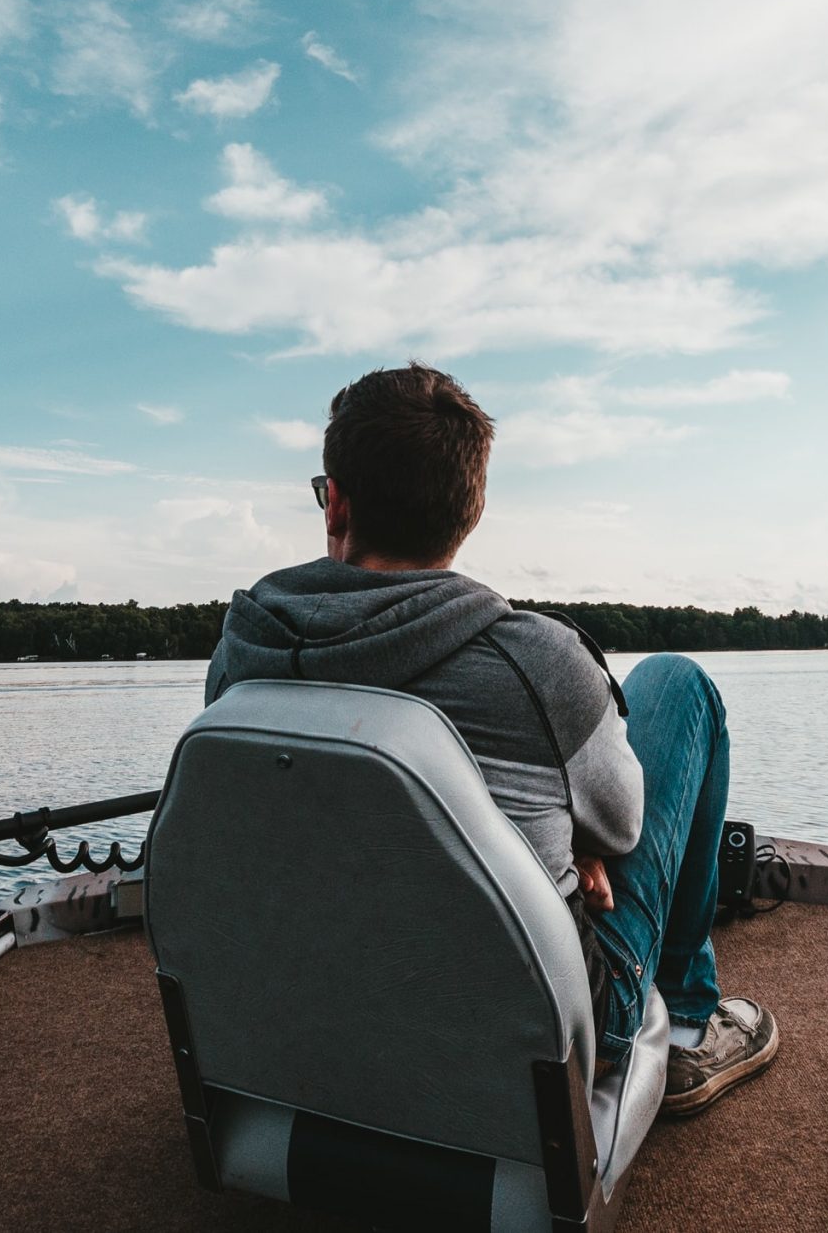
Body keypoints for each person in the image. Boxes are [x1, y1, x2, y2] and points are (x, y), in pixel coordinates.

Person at [205, 363, 778, 1115]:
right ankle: (685, 1026)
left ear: (336, 502)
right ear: (468, 513)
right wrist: (575, 838)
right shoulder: (539, 664)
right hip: (536, 1027)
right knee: (676, 683)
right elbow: (626, 825)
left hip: (312, 1007)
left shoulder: (242, 654)